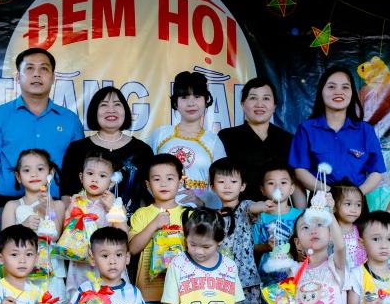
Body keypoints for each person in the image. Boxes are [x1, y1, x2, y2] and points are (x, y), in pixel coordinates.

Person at [0, 47, 84, 210]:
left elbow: (78, 169)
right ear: (17, 77)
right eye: (29, 68)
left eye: (44, 68)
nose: (37, 74)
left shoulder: (70, 120)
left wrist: (67, 213)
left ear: (53, 78)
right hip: (10, 208)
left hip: (57, 209)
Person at [209, 159, 273, 304]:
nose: (227, 185)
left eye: (233, 181)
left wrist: (263, 205)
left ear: (243, 185)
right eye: (221, 181)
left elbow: (253, 208)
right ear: (212, 186)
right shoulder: (212, 216)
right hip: (219, 285)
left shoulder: (245, 207)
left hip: (247, 283)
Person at [128, 154, 187, 304]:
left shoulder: (188, 215)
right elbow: (132, 249)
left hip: (182, 293)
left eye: (170, 178)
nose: (163, 183)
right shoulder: (142, 214)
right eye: (156, 179)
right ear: (147, 185)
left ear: (181, 182)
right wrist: (154, 225)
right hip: (150, 289)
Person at [289, 66, 385, 196]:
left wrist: (354, 195)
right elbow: (300, 171)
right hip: (321, 202)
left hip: (356, 203)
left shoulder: (365, 131)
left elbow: (377, 172)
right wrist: (331, 193)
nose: (338, 92)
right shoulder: (306, 129)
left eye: (345, 87)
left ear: (352, 93)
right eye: (331, 87)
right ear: (321, 91)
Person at [61, 86, 154, 216]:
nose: (111, 110)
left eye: (117, 105)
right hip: (87, 230)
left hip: (131, 230)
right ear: (94, 111)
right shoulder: (77, 149)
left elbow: (150, 195)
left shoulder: (142, 151)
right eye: (104, 105)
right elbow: (66, 194)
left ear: (125, 111)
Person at [148, 71, 227, 208]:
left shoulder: (213, 141)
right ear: (175, 103)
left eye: (197, 96)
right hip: (161, 216)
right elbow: (146, 176)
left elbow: (223, 184)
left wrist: (201, 201)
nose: (191, 103)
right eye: (184, 97)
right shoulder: (160, 135)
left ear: (206, 100)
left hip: (200, 220)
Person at [219, 77, 302, 206]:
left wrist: (300, 217)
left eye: (266, 98)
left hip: (278, 216)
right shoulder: (227, 137)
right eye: (253, 98)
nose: (259, 104)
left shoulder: (287, 139)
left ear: (274, 106)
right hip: (240, 214)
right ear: (242, 104)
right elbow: (219, 180)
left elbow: (295, 182)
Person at [0, 149, 67, 301]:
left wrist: (48, 209)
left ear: (51, 172)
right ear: (18, 176)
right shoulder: (12, 206)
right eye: (27, 170)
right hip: (21, 274)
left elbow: (57, 238)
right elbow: (5, 243)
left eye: (40, 169)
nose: (34, 174)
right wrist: (22, 227)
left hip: (52, 274)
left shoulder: (58, 205)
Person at [61, 150, 129, 292]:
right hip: (81, 262)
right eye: (90, 174)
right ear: (81, 177)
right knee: (81, 299)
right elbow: (66, 233)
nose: (94, 179)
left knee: (109, 298)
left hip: (107, 261)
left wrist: (112, 209)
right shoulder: (76, 201)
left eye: (102, 176)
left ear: (111, 182)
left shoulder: (115, 204)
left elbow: (124, 235)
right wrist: (72, 212)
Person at [253, 162, 304, 286]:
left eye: (283, 182)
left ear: (292, 188)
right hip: (267, 278)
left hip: (296, 276)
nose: (278, 187)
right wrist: (266, 246)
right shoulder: (259, 216)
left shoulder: (301, 216)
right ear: (263, 190)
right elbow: (252, 246)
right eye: (271, 183)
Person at [331, 181, 367, 270]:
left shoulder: (361, 230)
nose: (354, 209)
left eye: (358, 205)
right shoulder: (329, 231)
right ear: (334, 206)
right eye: (348, 204)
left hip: (360, 277)